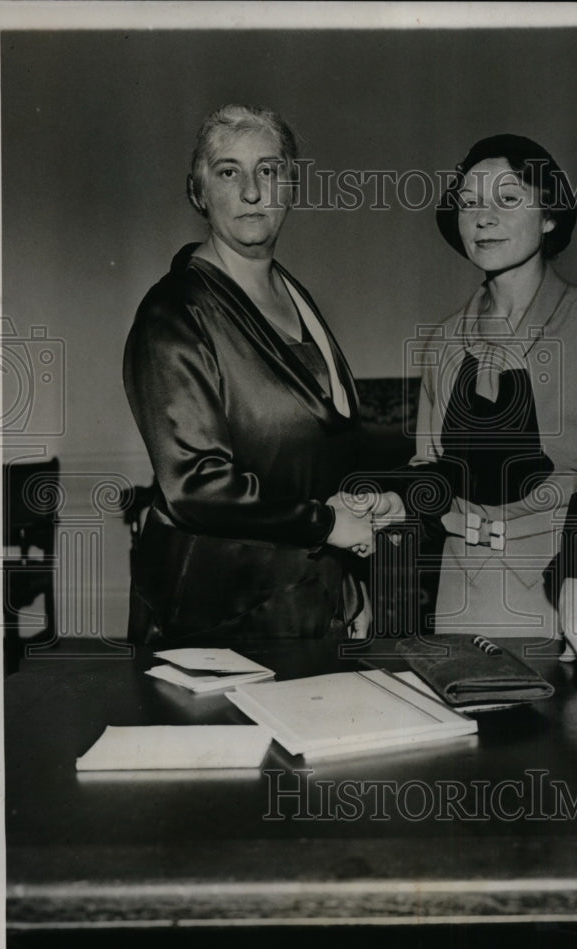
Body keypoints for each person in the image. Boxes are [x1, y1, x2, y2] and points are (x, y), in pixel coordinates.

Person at [123, 104, 402, 645]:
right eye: (229, 172)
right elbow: (197, 487)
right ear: (198, 191)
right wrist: (326, 525)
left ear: (290, 186)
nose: (252, 191)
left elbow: (314, 454)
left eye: (269, 170)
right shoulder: (173, 313)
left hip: (308, 595)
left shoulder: (296, 296)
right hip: (220, 611)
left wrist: (347, 582)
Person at [411, 133, 577, 676]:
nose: (482, 217)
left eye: (507, 199)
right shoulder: (441, 343)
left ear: (549, 216)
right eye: (470, 202)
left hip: (569, 594)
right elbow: (431, 478)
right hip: (464, 598)